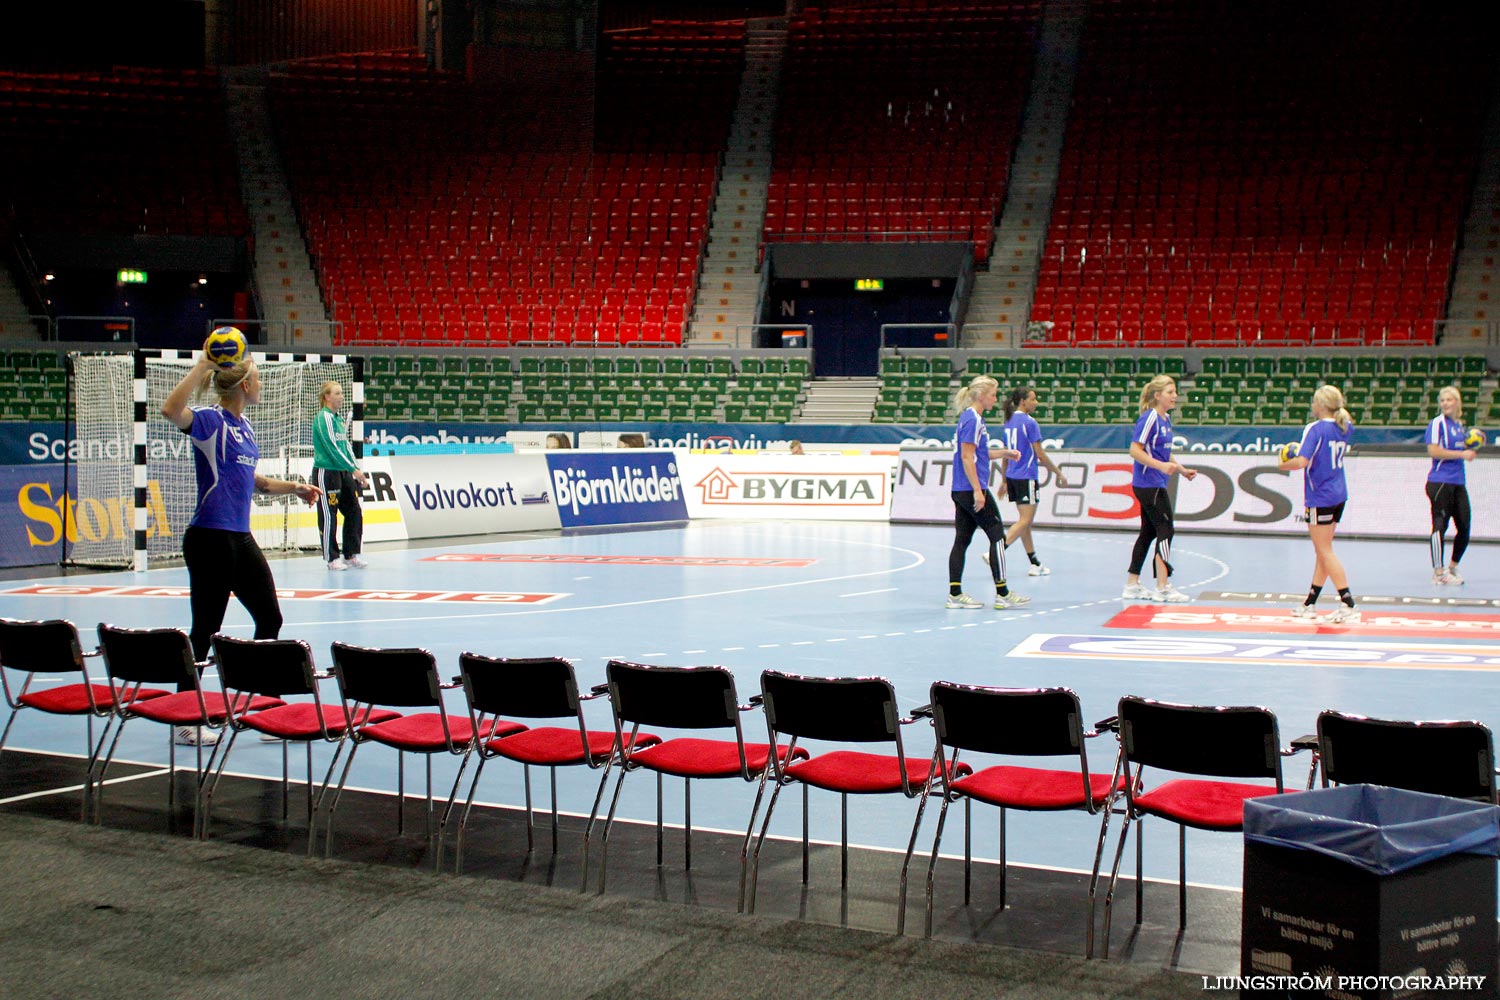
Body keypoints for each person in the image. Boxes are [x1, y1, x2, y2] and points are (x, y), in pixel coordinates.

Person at [161, 344, 321, 744]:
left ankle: (265, 708)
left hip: (239, 538)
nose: (262, 384)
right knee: (205, 629)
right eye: (258, 378)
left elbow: (258, 483)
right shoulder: (211, 421)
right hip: (209, 539)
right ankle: (185, 718)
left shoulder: (246, 428)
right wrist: (202, 367)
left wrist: (296, 488)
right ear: (245, 384)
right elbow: (169, 411)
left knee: (270, 618)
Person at [946, 375, 1028, 610]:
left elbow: (979, 453)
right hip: (971, 488)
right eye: (993, 394)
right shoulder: (972, 419)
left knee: (962, 539)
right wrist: (977, 492)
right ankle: (1002, 593)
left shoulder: (971, 418)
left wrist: (1004, 453)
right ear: (982, 396)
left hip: (961, 488)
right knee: (997, 537)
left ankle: (955, 593)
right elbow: (966, 456)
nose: (995, 399)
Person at [1280, 384, 1359, 623]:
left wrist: (1282, 464)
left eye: (1314, 402)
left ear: (1321, 405)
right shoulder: (1345, 426)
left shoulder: (1314, 428)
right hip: (1338, 494)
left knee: (1324, 551)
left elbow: (1302, 460)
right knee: (1322, 551)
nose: (1312, 406)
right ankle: (1310, 603)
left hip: (1320, 496)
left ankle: (1348, 604)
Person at [1122, 374, 1196, 603]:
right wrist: (1161, 466)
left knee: (1148, 532)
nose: (1175, 396)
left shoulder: (1165, 420)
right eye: (1170, 392)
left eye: (1175, 392)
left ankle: (1132, 584)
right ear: (1157, 396)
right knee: (1166, 529)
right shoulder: (1150, 418)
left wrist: (1180, 468)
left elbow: (1164, 452)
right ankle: (1162, 587)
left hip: (1156, 482)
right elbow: (1135, 450)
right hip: (1148, 483)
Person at [999, 386, 1068, 575]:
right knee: (1025, 521)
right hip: (1026, 475)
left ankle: (1034, 563)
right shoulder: (1030, 422)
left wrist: (1004, 480)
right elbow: (1040, 454)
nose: (1036, 403)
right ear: (1023, 401)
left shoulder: (1010, 421)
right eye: (1033, 399)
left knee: (1025, 523)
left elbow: (1006, 453)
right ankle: (997, 552)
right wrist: (1057, 472)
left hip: (1013, 476)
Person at [312, 380, 369, 571]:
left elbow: (345, 447)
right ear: (327, 396)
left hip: (343, 473)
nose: (341, 396)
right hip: (326, 471)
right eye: (337, 393)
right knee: (329, 515)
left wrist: (356, 470)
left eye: (342, 393)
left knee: (354, 510)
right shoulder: (324, 418)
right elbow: (332, 449)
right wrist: (353, 470)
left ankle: (351, 554)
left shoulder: (338, 420)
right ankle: (331, 558)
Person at [1424, 385, 1476, 585]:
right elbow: (1434, 451)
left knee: (1464, 525)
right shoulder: (1438, 424)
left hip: (1458, 481)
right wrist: (1462, 454)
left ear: (1457, 403)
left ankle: (1453, 567)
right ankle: (1438, 572)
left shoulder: (1459, 426)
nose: (1445, 403)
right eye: (1442, 400)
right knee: (1440, 525)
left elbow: (1463, 447)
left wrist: (1473, 445)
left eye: (1449, 400)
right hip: (1440, 481)